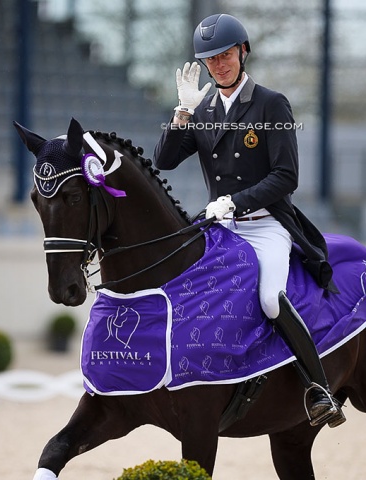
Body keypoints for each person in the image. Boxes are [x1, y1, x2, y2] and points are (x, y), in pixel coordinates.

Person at [154, 13, 346, 428]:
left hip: (265, 224)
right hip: (220, 227)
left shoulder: (271, 103)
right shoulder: (202, 108)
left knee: (270, 298)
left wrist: (234, 202)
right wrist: (182, 113)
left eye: (225, 55)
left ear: (242, 52)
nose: (219, 65)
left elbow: (286, 176)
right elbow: (164, 160)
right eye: (210, 59)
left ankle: (319, 389)